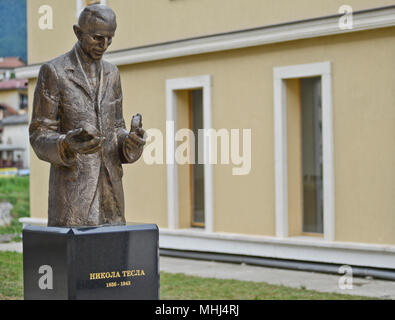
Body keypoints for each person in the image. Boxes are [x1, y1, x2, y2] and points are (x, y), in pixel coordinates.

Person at [30, 4, 146, 227]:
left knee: (116, 260)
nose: (104, 45)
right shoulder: (54, 72)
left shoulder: (113, 74)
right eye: (97, 37)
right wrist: (66, 144)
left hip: (111, 196)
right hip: (74, 197)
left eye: (110, 39)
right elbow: (38, 135)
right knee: (76, 261)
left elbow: (116, 128)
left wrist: (129, 141)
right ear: (78, 32)